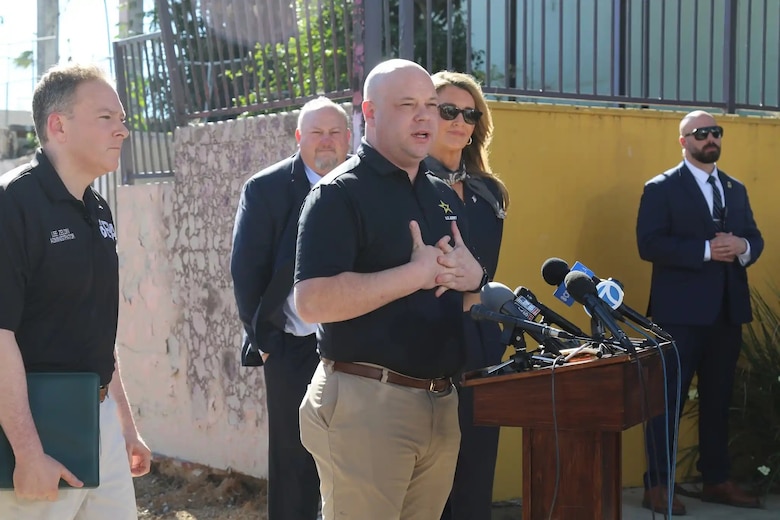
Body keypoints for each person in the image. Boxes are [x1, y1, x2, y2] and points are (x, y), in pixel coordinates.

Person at [294, 59, 488, 520]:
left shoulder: (438, 190)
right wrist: (413, 275)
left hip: (439, 401)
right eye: (407, 106)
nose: (425, 117)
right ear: (371, 112)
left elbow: (466, 274)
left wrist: (473, 276)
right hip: (368, 403)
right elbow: (311, 301)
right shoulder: (338, 195)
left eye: (430, 106)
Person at [0, 63, 151, 519]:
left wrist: (123, 425)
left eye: (122, 119)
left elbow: (97, 327)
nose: (122, 130)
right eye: (106, 117)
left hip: (98, 421)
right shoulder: (13, 205)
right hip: (35, 428)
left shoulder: (97, 207)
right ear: (57, 125)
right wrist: (28, 454)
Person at [636, 110, 763, 515]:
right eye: (701, 133)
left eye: (716, 133)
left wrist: (742, 248)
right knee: (666, 402)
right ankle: (657, 485)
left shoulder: (735, 188)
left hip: (727, 313)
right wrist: (709, 250)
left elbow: (754, 238)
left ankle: (716, 480)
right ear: (684, 141)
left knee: (718, 401)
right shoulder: (660, 189)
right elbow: (650, 244)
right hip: (679, 315)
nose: (710, 139)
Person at [230, 96, 350, 520]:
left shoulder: (362, 187)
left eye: (335, 132)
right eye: (316, 132)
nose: (326, 141)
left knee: (353, 460)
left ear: (350, 138)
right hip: (291, 346)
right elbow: (246, 270)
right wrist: (263, 341)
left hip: (357, 350)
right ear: (299, 138)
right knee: (293, 460)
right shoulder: (266, 189)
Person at [425, 71, 509, 520]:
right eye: (448, 111)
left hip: (478, 343)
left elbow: (484, 273)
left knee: (475, 477)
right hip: (421, 340)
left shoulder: (489, 192)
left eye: (469, 114)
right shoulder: (408, 184)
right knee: (430, 484)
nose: (459, 121)